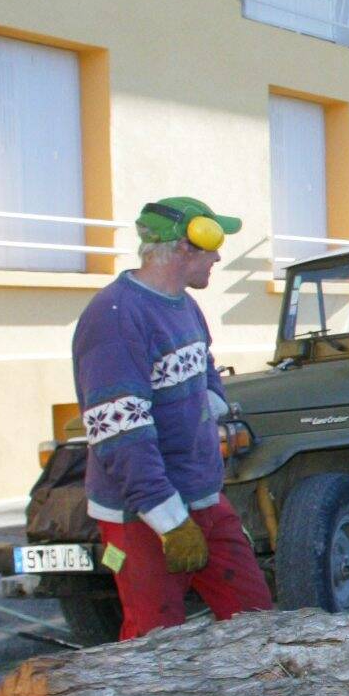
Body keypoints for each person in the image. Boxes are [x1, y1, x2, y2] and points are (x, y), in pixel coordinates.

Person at [72, 196, 272, 640]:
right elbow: (120, 433)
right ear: (186, 246)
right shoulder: (114, 319)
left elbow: (205, 372)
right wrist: (170, 522)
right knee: (154, 639)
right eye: (214, 244)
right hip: (142, 512)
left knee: (255, 619)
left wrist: (213, 411)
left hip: (202, 497)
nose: (219, 256)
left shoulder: (183, 305)